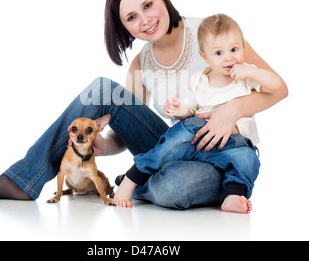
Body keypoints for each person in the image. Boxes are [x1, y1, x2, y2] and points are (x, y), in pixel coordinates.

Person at [0, 0, 288, 209]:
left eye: (148, 5)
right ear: (123, 27)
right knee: (102, 90)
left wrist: (234, 109)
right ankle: (24, 179)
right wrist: (103, 144)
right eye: (131, 17)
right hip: (176, 147)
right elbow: (128, 134)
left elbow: (279, 87)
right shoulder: (141, 63)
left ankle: (135, 185)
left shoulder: (212, 33)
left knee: (173, 189)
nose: (145, 20)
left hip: (223, 157)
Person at [114, 14, 284, 213]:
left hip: (233, 144)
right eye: (219, 53)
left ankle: (233, 195)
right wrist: (178, 110)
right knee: (172, 142)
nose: (229, 57)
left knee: (249, 160)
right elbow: (190, 109)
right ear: (205, 57)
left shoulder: (247, 77)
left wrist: (252, 72)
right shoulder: (201, 80)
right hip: (196, 137)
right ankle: (134, 176)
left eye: (234, 50)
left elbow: (277, 86)